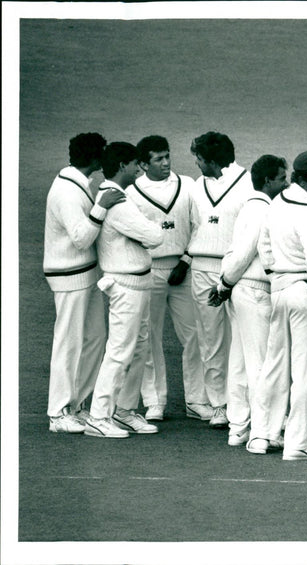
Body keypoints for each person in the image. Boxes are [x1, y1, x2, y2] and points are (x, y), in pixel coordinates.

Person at [43, 133, 125, 432]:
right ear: (93, 158)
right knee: (68, 342)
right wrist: (102, 207)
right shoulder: (66, 191)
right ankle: (58, 413)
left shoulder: (80, 184)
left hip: (86, 274)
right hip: (68, 276)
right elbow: (80, 238)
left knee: (94, 339)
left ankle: (75, 405)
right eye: (102, 154)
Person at [255, 151, 307, 460]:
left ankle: (262, 435)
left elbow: (264, 247)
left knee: (274, 365)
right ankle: (296, 443)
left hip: (279, 289)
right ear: (301, 178)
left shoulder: (275, 204)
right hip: (304, 290)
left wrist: (276, 275)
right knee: (306, 370)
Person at [126, 135, 209, 422]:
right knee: (149, 337)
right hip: (149, 272)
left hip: (183, 269)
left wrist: (185, 261)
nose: (165, 163)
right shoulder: (133, 192)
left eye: (167, 156)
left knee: (195, 335)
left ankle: (197, 400)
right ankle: (154, 401)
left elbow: (199, 225)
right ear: (142, 164)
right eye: (158, 159)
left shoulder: (187, 184)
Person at [84, 142, 164, 438]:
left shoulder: (120, 196)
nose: (140, 168)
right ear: (121, 167)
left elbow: (146, 234)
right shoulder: (114, 200)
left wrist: (143, 234)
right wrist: (148, 232)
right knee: (120, 351)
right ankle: (98, 416)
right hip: (126, 286)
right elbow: (154, 236)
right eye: (134, 164)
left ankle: (124, 410)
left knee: (138, 349)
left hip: (140, 283)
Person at [208, 154, 288, 449]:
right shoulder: (261, 210)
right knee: (261, 364)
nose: (287, 182)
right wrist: (225, 283)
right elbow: (242, 254)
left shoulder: (252, 206)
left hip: (241, 289)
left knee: (241, 361)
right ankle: (261, 432)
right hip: (252, 291)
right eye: (282, 177)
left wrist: (224, 284)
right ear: (268, 180)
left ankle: (238, 428)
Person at [187, 132, 255, 428]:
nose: (197, 164)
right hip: (201, 268)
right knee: (210, 338)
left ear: (212, 160)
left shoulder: (249, 184)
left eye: (199, 160)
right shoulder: (196, 186)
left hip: (237, 271)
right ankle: (219, 404)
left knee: (244, 338)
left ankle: (249, 404)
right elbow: (191, 228)